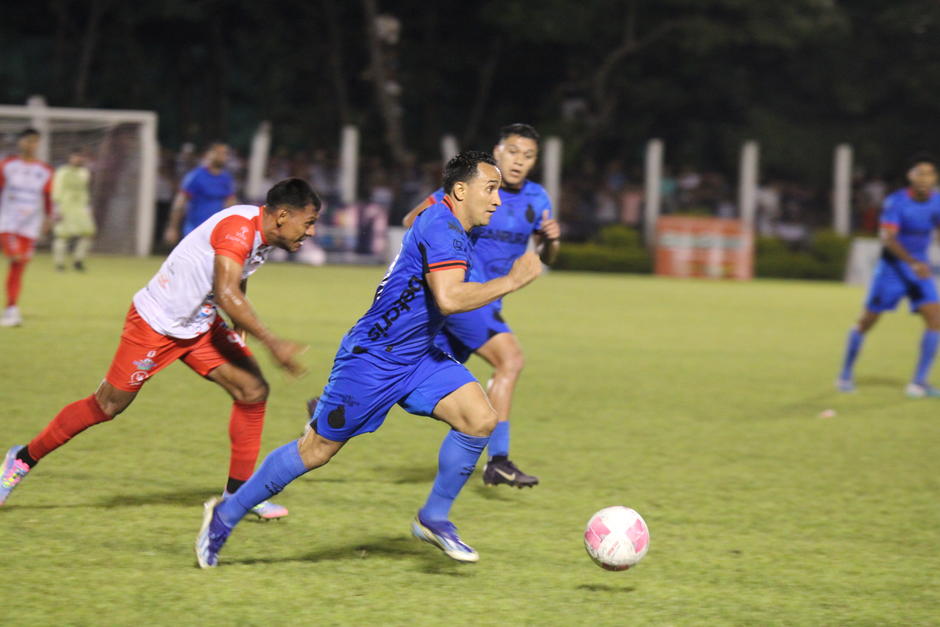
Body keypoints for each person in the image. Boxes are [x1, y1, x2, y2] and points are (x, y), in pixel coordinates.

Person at [195, 151, 543, 568]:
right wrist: (511, 281)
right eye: (490, 189)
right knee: (316, 451)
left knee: (479, 420)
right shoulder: (444, 227)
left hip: (418, 358)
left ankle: (433, 518)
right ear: (460, 190)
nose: (497, 200)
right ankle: (225, 514)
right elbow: (449, 298)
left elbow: (416, 223)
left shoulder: (450, 223)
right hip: (372, 360)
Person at [0, 178, 320, 521]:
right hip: (156, 324)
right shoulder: (238, 229)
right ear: (283, 215)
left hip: (200, 325)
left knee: (252, 390)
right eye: (309, 222)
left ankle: (238, 496)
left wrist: (237, 323)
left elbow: (237, 278)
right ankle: (21, 459)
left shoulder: (263, 231)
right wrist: (272, 342)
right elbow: (226, 289)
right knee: (107, 406)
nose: (312, 232)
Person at [398, 123, 560, 488]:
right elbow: (412, 221)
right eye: (513, 152)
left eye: (529, 155)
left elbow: (547, 255)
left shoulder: (537, 199)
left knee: (414, 372)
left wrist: (550, 242)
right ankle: (499, 460)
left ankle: (339, 408)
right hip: (465, 295)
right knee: (511, 360)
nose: (519, 161)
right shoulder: (476, 187)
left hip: (488, 299)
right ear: (498, 151)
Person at [838, 154, 940, 397]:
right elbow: (887, 238)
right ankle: (844, 375)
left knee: (935, 319)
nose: (925, 179)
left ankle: (918, 382)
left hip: (919, 270)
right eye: (920, 174)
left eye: (930, 175)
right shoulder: (896, 202)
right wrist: (913, 262)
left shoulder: (937, 201)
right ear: (911, 178)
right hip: (892, 270)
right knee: (866, 322)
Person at [0, 128, 53, 327]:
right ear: (20, 142)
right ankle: (11, 309)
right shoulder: (7, 166)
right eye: (27, 141)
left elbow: (47, 197)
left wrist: (48, 218)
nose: (31, 145)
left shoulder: (45, 170)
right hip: (8, 222)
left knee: (18, 267)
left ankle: (11, 308)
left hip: (29, 226)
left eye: (34, 141)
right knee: (15, 258)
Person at [163, 142, 237, 244]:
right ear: (209, 154)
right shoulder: (196, 176)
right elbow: (180, 203)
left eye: (225, 153)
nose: (223, 156)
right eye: (219, 153)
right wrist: (172, 227)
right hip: (195, 228)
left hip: (216, 230)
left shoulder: (226, 179)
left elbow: (230, 203)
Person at [52, 148, 97, 272]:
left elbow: (85, 191)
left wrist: (88, 207)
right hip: (65, 207)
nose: (79, 159)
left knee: (88, 233)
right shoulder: (62, 172)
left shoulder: (85, 172)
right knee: (62, 235)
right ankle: (59, 264)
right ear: (70, 158)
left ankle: (78, 261)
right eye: (76, 156)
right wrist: (56, 208)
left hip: (81, 208)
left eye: (80, 157)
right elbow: (57, 189)